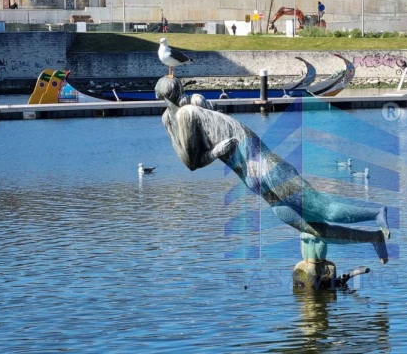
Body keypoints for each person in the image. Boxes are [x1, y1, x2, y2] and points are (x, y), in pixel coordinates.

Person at [156, 78, 391, 263]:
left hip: (270, 170)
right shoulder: (178, 116)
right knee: (317, 230)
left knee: (325, 210)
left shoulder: (191, 112)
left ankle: (376, 214)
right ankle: (372, 238)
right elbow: (191, 163)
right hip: (257, 182)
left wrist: (214, 151)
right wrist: (215, 151)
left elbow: (191, 162)